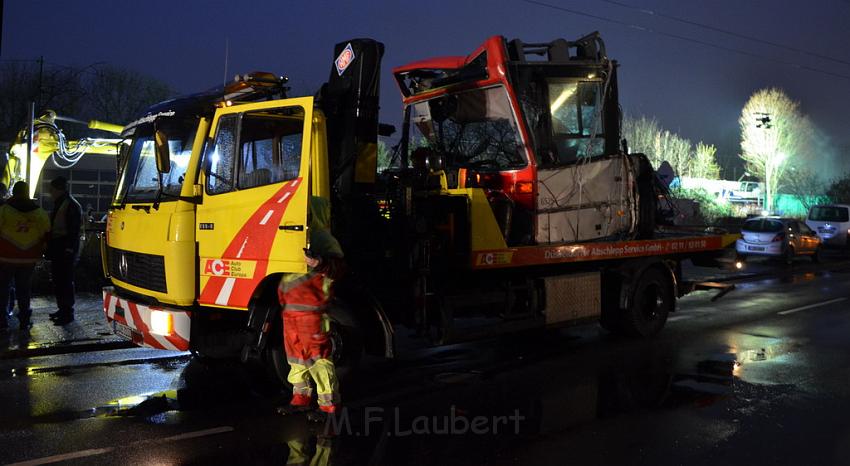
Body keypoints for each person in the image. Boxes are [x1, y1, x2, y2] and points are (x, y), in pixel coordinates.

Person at [276, 197, 345, 422]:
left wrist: (319, 263)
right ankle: (301, 399)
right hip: (292, 311)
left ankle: (328, 407)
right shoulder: (295, 237)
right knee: (296, 358)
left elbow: (338, 269)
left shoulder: (324, 240)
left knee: (318, 359)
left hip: (311, 312)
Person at [0, 182, 50, 330]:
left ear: (14, 193)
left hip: (6, 257)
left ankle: (2, 322)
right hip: (29, 258)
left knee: (3, 289)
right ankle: (25, 321)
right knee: (24, 289)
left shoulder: (4, 210)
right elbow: (47, 233)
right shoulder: (39, 212)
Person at [46, 176, 82, 326]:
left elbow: (73, 230)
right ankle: (62, 309)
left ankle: (67, 313)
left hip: (65, 248)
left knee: (64, 280)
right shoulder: (64, 203)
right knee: (59, 280)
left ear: (57, 189)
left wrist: (68, 249)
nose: (50, 193)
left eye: (51, 190)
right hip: (60, 247)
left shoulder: (69, 205)